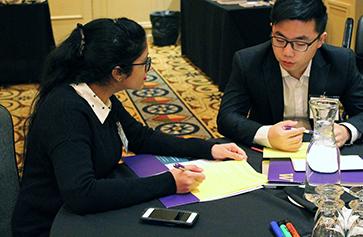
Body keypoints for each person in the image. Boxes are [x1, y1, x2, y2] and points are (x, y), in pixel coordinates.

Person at [11, 18, 247, 237]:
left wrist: (208, 149)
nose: (149, 69)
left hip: (92, 212)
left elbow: (140, 138)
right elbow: (81, 194)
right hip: (52, 226)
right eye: (145, 62)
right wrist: (168, 182)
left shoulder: (101, 95)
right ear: (118, 73)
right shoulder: (66, 112)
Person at [217, 0, 363, 151]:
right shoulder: (248, 61)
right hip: (270, 150)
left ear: (320, 40)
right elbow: (227, 117)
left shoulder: (340, 61)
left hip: (323, 150)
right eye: (279, 39)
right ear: (271, 29)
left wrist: (346, 131)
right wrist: (267, 134)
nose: (287, 52)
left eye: (300, 43)